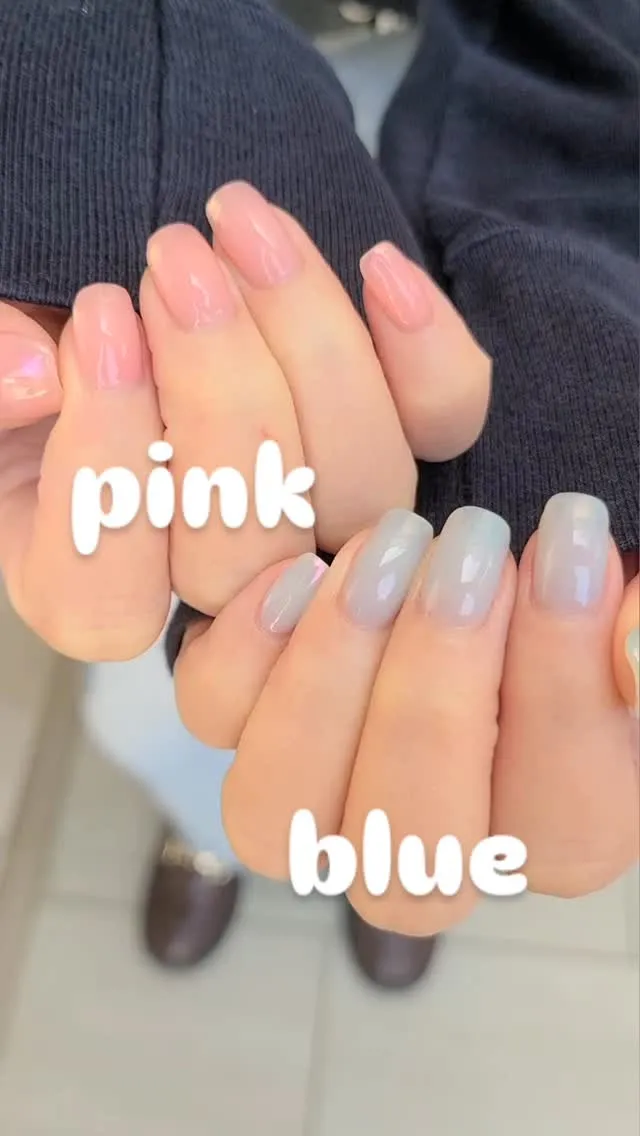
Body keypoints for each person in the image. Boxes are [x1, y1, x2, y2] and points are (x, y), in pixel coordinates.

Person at [0, 0, 637, 989]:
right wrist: (125, 94)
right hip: (275, 77)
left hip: (500, 94)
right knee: (181, 648)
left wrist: (567, 393)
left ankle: (380, 831)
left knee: (433, 721)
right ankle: (206, 832)